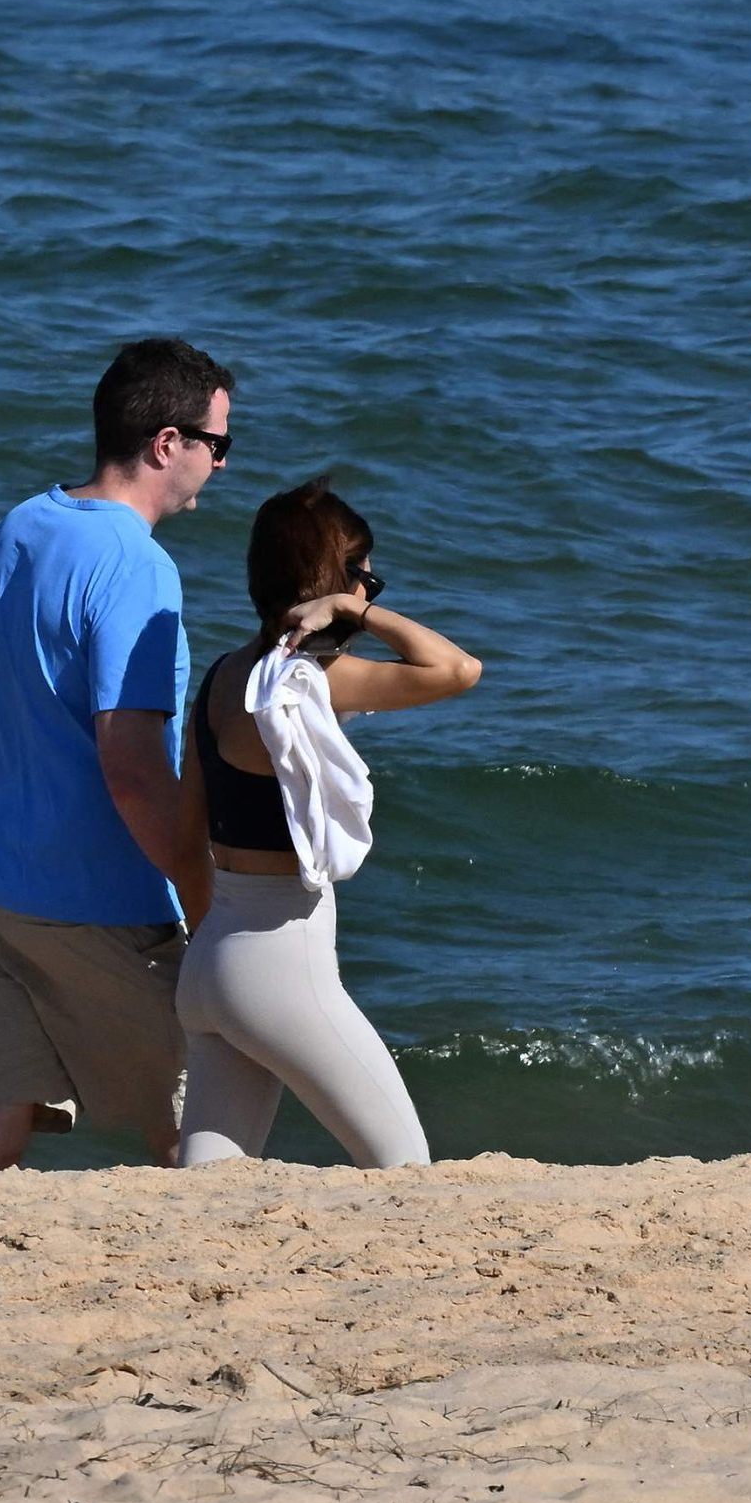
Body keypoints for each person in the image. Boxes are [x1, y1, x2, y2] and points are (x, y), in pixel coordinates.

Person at [0, 337, 233, 1172]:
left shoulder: (13, 532)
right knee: (207, 1110)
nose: (221, 467)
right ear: (168, 444)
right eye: (218, 446)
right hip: (103, 909)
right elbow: (131, 767)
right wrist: (206, 903)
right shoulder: (138, 567)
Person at [174, 476, 480, 1169]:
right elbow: (459, 670)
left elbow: (185, 827)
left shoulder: (224, 677)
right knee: (406, 1169)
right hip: (281, 962)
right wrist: (352, 610)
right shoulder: (316, 680)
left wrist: (208, 942)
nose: (372, 587)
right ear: (327, 581)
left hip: (212, 958)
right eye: (363, 573)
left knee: (204, 1199)